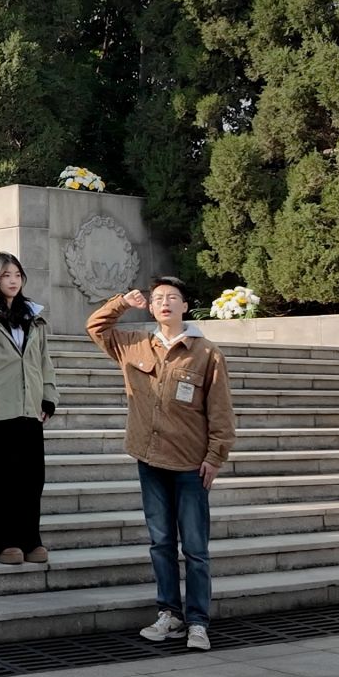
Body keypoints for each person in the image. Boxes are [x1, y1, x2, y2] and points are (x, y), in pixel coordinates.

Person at [88, 278, 234, 652]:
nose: (164, 303)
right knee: (162, 543)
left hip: (190, 464)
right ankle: (169, 613)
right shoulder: (135, 343)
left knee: (196, 549)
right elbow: (96, 327)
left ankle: (197, 621)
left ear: (185, 305)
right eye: (157, 299)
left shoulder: (206, 353)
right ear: (151, 307)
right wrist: (122, 302)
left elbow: (221, 412)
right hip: (150, 459)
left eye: (172, 298)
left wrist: (215, 456)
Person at [0, 252, 57, 566]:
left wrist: (49, 396)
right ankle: (2, 542)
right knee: (0, 479)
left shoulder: (33, 315)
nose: (13, 281)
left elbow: (44, 359)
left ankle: (30, 539)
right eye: (5, 275)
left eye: (17, 274)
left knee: (32, 478)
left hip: (29, 406)